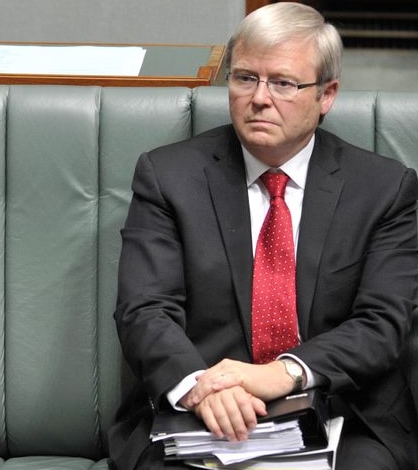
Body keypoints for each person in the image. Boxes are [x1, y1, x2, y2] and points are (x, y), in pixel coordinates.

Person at [108, 3, 418, 470]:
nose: (259, 98)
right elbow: (144, 309)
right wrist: (196, 387)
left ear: (327, 94)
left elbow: (382, 322)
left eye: (284, 83)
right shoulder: (169, 176)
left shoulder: (384, 189)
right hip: (198, 415)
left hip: (340, 413)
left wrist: (284, 374)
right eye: (245, 78)